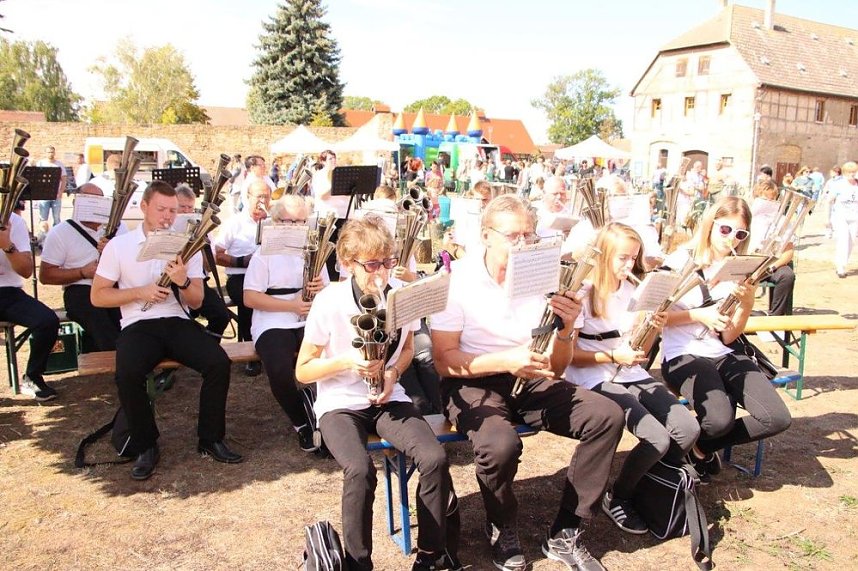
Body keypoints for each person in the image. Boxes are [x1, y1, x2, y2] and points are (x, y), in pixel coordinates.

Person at [431, 194, 623, 571]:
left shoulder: (544, 277)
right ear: (486, 236)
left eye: (530, 236)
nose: (523, 245)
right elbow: (443, 361)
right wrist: (506, 360)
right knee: (499, 445)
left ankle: (566, 531)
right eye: (513, 236)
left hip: (531, 374)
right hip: (473, 379)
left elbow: (559, 367)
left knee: (607, 416)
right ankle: (502, 525)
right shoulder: (455, 282)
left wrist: (567, 331)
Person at [295, 215, 460, 571]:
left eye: (387, 262)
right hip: (340, 404)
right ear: (347, 263)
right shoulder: (329, 300)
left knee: (433, 458)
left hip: (388, 397)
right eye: (372, 265)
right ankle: (358, 564)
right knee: (358, 469)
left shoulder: (399, 297)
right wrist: (346, 362)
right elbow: (303, 369)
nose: (382, 273)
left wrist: (392, 373)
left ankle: (431, 556)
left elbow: (406, 349)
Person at [91, 180, 242, 480]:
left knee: (218, 363)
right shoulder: (119, 246)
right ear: (144, 207)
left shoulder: (187, 247)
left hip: (175, 321)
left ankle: (210, 438)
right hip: (137, 324)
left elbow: (197, 300)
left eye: (172, 211)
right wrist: (139, 292)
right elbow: (98, 296)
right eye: (161, 209)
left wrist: (183, 280)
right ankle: (146, 444)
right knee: (128, 373)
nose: (167, 217)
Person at [566, 222, 700, 534]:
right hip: (592, 376)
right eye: (623, 258)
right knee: (657, 437)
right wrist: (614, 356)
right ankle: (620, 496)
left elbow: (643, 347)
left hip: (629, 370)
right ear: (603, 257)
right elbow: (570, 356)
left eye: (634, 258)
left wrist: (654, 323)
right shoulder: (584, 293)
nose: (630, 266)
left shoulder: (634, 289)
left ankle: (647, 484)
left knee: (687, 428)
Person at [660, 196, 792, 481]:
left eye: (740, 233)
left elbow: (730, 334)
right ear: (710, 224)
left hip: (723, 351)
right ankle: (698, 445)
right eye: (725, 229)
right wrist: (698, 316)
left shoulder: (739, 268)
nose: (731, 238)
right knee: (719, 419)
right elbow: (653, 319)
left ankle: (698, 447)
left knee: (776, 417)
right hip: (683, 352)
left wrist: (746, 302)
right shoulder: (680, 260)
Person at [244, 195, 325, 452]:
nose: (296, 227)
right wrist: (291, 306)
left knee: (330, 358)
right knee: (278, 368)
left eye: (302, 221)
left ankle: (325, 418)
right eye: (289, 221)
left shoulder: (312, 249)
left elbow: (327, 289)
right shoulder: (263, 254)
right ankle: (301, 422)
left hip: (308, 316)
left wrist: (320, 288)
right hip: (273, 319)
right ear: (276, 221)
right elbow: (249, 297)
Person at [39, 183, 123, 353]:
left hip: (115, 286)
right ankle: (120, 364)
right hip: (80, 289)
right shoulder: (60, 232)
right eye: (88, 200)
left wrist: (115, 251)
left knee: (133, 319)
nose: (94, 204)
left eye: (98, 200)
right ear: (77, 202)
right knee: (100, 322)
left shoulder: (120, 228)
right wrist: (82, 272)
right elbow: (46, 275)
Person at [0, 210, 60, 400]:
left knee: (47, 320)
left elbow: (26, 271)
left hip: (8, 291)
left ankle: (33, 375)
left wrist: (7, 245)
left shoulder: (14, 221)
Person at [214, 179, 270, 375]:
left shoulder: (273, 221)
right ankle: (249, 351)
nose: (263, 200)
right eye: (259, 196)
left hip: (267, 276)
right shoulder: (234, 223)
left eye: (266, 196)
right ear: (248, 198)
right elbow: (216, 255)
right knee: (249, 301)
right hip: (240, 276)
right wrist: (241, 261)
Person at [174, 184, 231, 337]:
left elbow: (209, 266)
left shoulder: (202, 227)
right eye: (182, 207)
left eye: (190, 208)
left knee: (221, 316)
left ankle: (208, 343)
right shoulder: (168, 227)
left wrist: (200, 243)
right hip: (172, 281)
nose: (186, 212)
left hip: (197, 280)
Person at [749, 179, 796, 315]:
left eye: (772, 200)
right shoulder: (746, 218)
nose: (768, 205)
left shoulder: (782, 221)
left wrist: (771, 268)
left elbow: (788, 252)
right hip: (749, 264)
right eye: (764, 200)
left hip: (772, 265)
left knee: (787, 275)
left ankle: (775, 317)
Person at [312, 149, 349, 280]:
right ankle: (330, 277)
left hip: (344, 214)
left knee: (343, 246)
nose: (333, 161)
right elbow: (322, 195)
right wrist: (335, 184)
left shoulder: (340, 173)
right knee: (329, 248)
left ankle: (342, 275)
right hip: (327, 215)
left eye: (334, 158)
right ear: (322, 161)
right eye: (330, 159)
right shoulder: (319, 175)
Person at [829, 161, 858, 278]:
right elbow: (830, 200)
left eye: (854, 172)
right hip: (841, 217)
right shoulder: (839, 184)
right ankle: (840, 267)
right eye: (849, 172)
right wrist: (828, 218)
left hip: (854, 217)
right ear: (845, 173)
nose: (852, 174)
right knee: (843, 240)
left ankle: (844, 262)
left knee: (851, 241)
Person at [36, 145, 67, 229]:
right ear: (45, 153)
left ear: (54, 153)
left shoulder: (59, 164)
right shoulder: (40, 163)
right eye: (49, 152)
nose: (50, 154)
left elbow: (64, 179)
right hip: (44, 194)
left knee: (57, 218)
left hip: (56, 195)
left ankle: (56, 236)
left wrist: (61, 192)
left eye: (52, 152)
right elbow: (36, 178)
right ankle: (42, 236)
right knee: (43, 218)